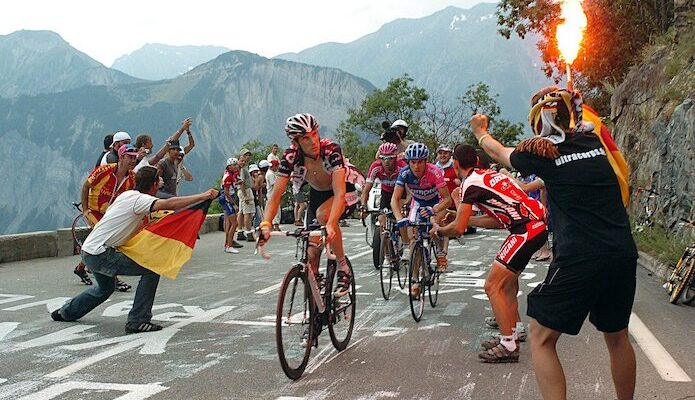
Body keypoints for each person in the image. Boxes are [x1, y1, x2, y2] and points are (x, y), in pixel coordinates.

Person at [472, 87, 637, 400]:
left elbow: (499, 153)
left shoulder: (542, 152)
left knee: (541, 338)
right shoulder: (594, 141)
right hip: (622, 251)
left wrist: (481, 132)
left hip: (580, 256)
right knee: (617, 337)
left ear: (538, 121)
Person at [52, 166, 218, 334]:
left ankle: (66, 312)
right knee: (152, 270)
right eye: (158, 182)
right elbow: (167, 204)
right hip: (101, 253)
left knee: (104, 289)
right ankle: (138, 320)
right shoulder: (140, 200)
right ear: (153, 184)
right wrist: (203, 195)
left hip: (89, 250)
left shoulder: (126, 196)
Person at [434, 144, 548, 363]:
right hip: (534, 226)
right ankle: (512, 334)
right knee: (506, 285)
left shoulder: (470, 184)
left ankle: (508, 345)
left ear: (456, 165)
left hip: (526, 230)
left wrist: (440, 229)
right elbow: (497, 220)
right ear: (476, 162)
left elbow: (458, 228)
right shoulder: (489, 176)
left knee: (492, 286)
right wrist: (466, 219)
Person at [260, 113, 353, 298]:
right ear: (296, 142)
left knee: (324, 217)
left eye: (314, 134)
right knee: (312, 250)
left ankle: (343, 266)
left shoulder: (331, 150)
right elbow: (275, 194)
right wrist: (265, 224)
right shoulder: (291, 157)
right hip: (318, 194)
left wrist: (331, 223)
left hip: (344, 190)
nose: (313, 141)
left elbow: (340, 193)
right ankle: (317, 297)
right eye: (305, 138)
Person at [74, 144, 140, 291]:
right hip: (95, 211)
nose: (133, 161)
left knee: (103, 241)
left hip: (111, 214)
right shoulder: (105, 170)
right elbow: (86, 187)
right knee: (107, 241)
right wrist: (85, 210)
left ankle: (80, 268)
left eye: (135, 158)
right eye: (130, 157)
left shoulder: (132, 178)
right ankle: (113, 279)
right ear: (121, 156)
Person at [391, 142, 451, 298]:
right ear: (408, 162)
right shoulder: (404, 173)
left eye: (420, 162)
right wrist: (400, 219)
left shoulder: (435, 172)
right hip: (417, 202)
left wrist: (434, 209)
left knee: (433, 228)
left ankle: (441, 251)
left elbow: (447, 199)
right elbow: (394, 200)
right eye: (413, 162)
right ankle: (415, 279)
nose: (416, 166)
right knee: (413, 239)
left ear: (426, 161)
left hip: (435, 202)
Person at [360, 142, 407, 264]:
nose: (386, 162)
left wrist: (405, 204)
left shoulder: (402, 167)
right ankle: (387, 254)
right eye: (383, 158)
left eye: (390, 158)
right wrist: (363, 206)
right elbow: (366, 190)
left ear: (395, 158)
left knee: (401, 218)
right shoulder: (376, 167)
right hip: (386, 193)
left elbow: (410, 189)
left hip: (401, 193)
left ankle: (406, 245)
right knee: (382, 222)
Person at [219, 157, 242, 253]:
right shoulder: (228, 176)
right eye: (234, 165)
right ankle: (229, 245)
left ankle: (227, 244)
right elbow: (227, 192)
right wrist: (233, 204)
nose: (237, 166)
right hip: (227, 199)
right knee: (234, 223)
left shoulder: (230, 174)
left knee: (231, 223)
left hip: (227, 198)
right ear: (230, 166)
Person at [236, 149, 256, 242]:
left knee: (241, 212)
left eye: (248, 155)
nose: (247, 157)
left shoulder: (242, 168)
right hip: (245, 191)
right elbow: (242, 182)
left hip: (241, 191)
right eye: (245, 155)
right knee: (248, 213)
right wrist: (245, 195)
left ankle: (240, 231)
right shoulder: (243, 169)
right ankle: (249, 232)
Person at [265, 159, 282, 231]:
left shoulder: (270, 173)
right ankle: (276, 225)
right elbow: (274, 184)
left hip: (271, 194)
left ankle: (271, 224)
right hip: (273, 194)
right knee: (276, 210)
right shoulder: (271, 174)